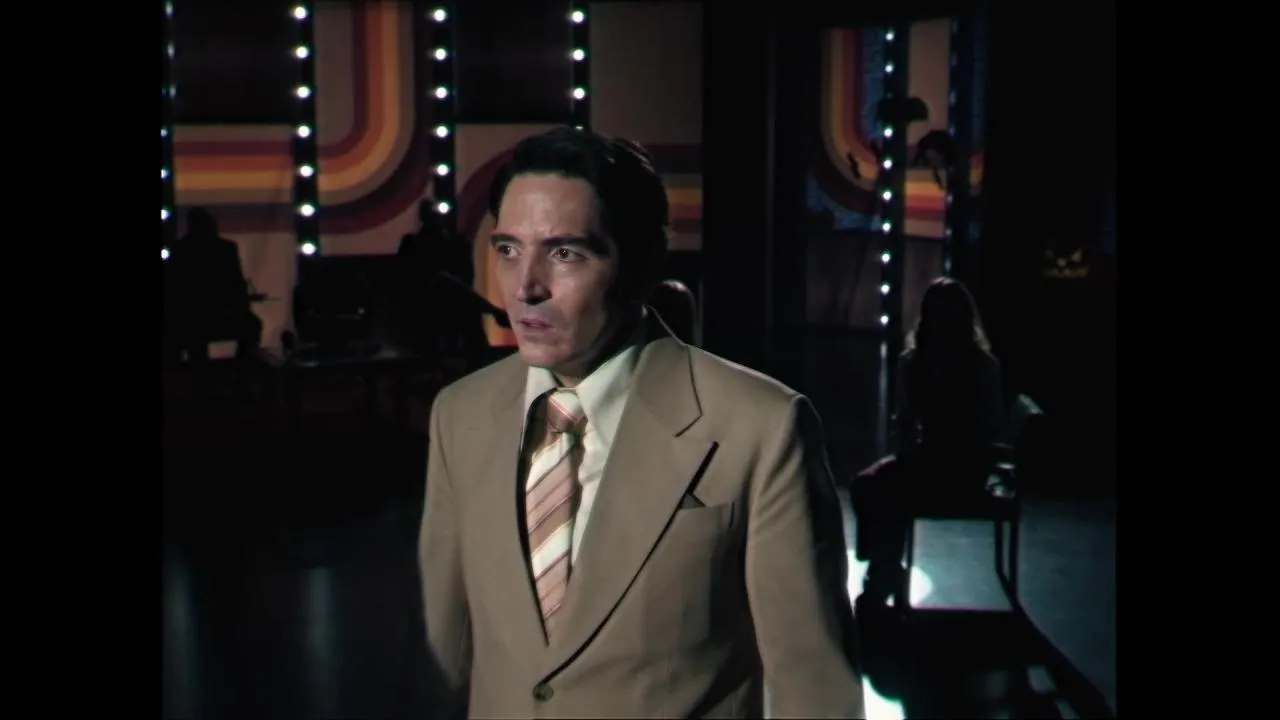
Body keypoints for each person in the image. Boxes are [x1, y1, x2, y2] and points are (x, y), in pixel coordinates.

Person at [417, 128, 864, 718]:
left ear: (642, 263)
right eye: (508, 250)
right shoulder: (460, 414)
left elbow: (815, 688)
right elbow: (440, 659)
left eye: (564, 253)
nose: (525, 288)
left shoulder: (761, 427)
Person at [850, 277, 1005, 608]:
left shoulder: (982, 366)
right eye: (937, 313)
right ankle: (884, 567)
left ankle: (882, 574)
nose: (942, 321)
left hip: (965, 467)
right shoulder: (913, 362)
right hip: (924, 459)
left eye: (948, 313)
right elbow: (904, 420)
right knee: (867, 486)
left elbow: (987, 427)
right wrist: (911, 448)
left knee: (882, 492)